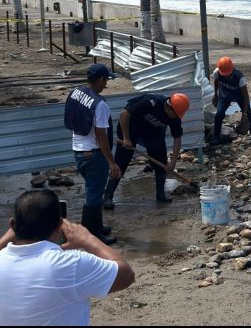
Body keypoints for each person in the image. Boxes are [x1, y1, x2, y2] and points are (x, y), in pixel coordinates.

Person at [0, 189, 135, 326]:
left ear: (12, 225)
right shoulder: (69, 264)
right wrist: (87, 239)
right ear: (59, 226)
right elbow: (126, 275)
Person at [64, 64, 122, 245]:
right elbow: (100, 134)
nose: (106, 84)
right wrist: (111, 162)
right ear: (100, 80)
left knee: (93, 190)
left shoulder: (77, 92)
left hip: (78, 150)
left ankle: (96, 226)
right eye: (106, 80)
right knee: (94, 194)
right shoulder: (100, 105)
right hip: (93, 154)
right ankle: (91, 236)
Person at [102, 92, 189, 209]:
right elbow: (124, 115)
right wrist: (126, 138)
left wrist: (173, 163)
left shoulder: (175, 118)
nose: (176, 117)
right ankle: (108, 196)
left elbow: (177, 139)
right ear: (169, 108)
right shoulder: (150, 102)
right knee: (121, 163)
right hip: (131, 129)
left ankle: (161, 195)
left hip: (153, 133)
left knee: (161, 163)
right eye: (176, 114)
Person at [210, 56, 251, 145]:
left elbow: (245, 96)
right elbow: (216, 82)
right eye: (225, 75)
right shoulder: (217, 73)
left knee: (249, 115)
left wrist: (244, 113)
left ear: (232, 69)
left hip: (239, 96)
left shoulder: (240, 78)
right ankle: (216, 138)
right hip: (225, 95)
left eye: (228, 74)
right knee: (218, 115)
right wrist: (215, 95)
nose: (227, 76)